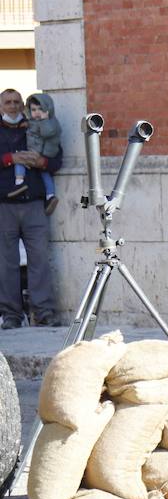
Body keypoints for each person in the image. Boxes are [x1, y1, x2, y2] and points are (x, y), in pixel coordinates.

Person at [0, 88, 61, 329]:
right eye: (8, 102)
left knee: (40, 261)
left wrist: (41, 162)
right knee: (6, 263)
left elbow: (57, 159)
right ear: (0, 105)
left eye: (17, 102)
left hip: (35, 204)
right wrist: (10, 160)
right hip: (5, 206)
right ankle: (11, 315)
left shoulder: (36, 125)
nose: (13, 106)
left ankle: (43, 312)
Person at [12, 93, 61, 215]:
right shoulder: (34, 121)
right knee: (42, 173)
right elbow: (32, 126)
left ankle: (19, 182)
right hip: (37, 150)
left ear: (48, 109)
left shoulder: (50, 122)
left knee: (21, 160)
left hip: (43, 152)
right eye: (33, 110)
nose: (37, 113)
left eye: (40, 109)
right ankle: (49, 194)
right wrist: (27, 123)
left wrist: (44, 119)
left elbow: (47, 133)